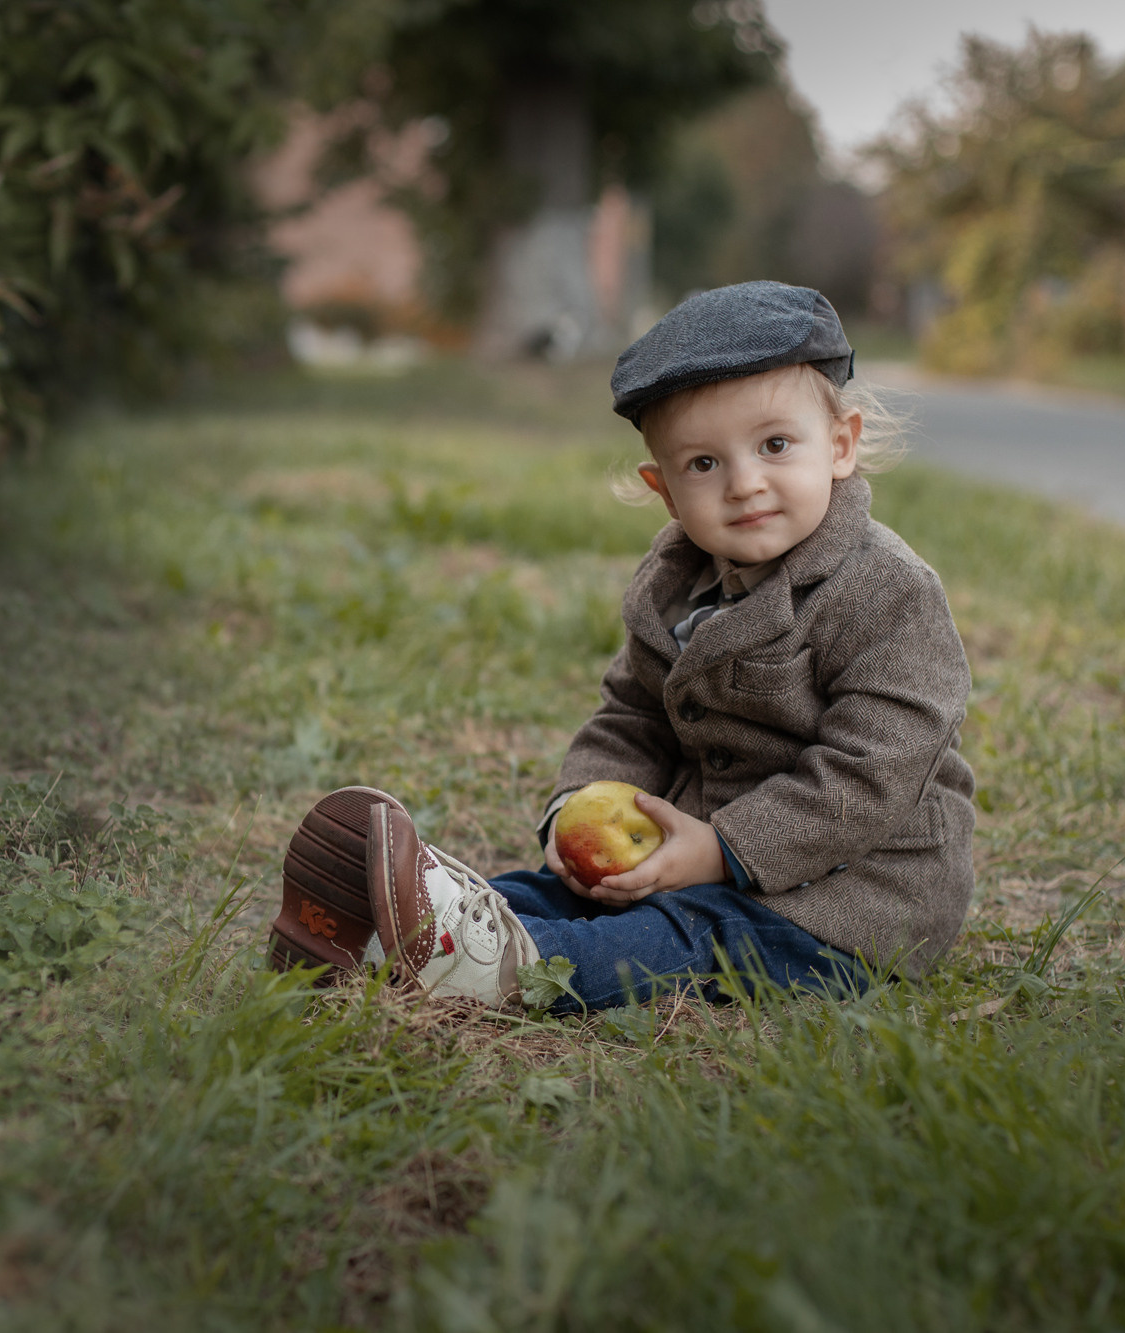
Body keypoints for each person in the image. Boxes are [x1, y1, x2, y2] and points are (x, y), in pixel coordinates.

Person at [267, 281, 975, 1012]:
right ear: (664, 489)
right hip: (684, 853)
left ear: (840, 445)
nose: (745, 484)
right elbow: (632, 715)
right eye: (704, 464)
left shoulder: (888, 592)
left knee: (682, 934)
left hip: (847, 900)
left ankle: (505, 969)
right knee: (556, 891)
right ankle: (380, 934)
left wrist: (724, 848)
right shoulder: (673, 586)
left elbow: (875, 772)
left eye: (774, 445)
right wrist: (575, 802)